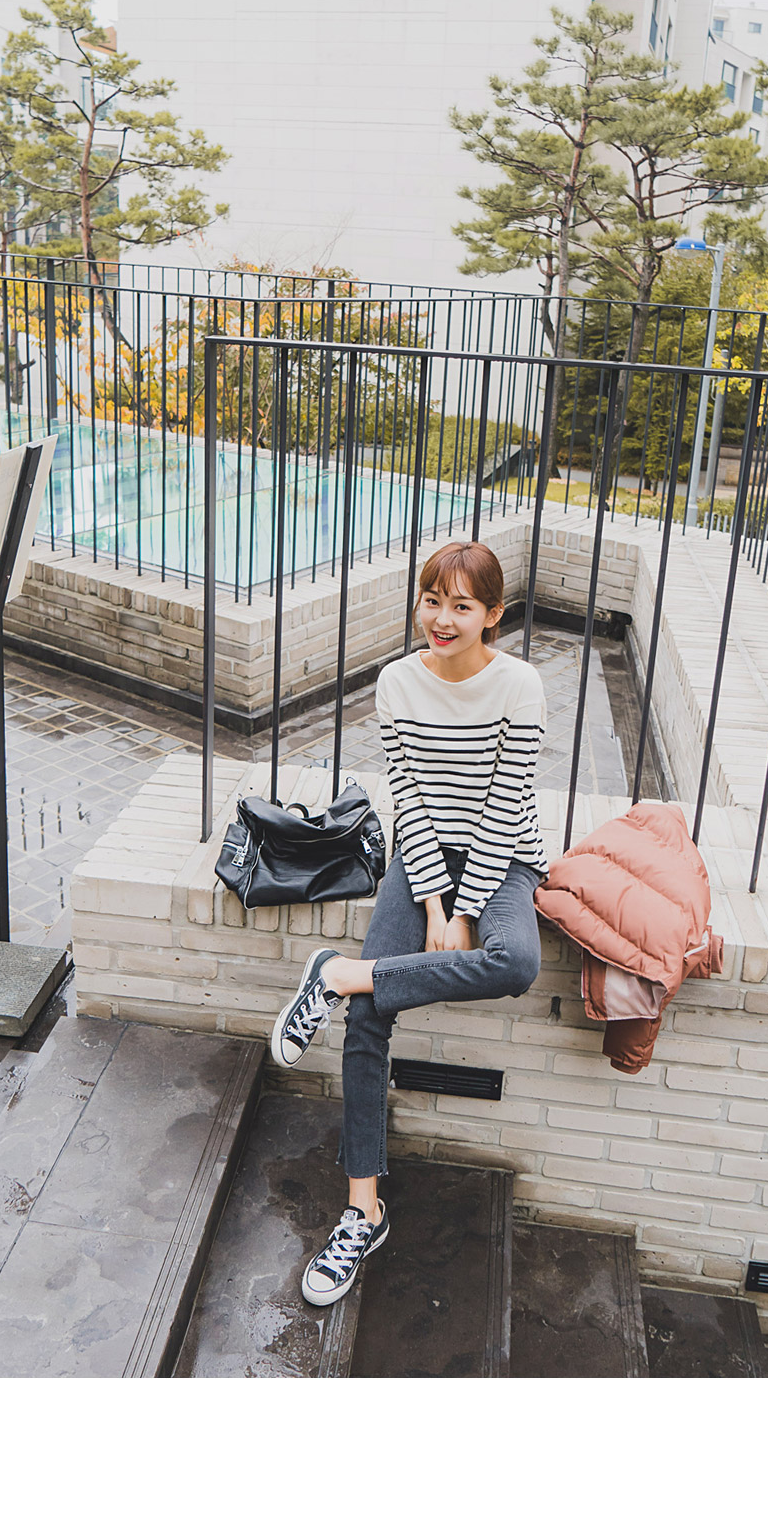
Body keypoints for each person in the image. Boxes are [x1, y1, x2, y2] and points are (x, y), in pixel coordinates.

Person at [269, 540, 548, 1306]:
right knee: (367, 1017)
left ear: (493, 614)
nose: (442, 619)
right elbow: (410, 801)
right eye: (432, 601)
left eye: (462, 605)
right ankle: (363, 1212)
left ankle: (337, 974)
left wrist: (465, 910)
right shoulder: (396, 682)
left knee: (516, 961)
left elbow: (504, 808)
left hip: (503, 859)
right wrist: (430, 903)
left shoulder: (520, 685)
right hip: (423, 856)